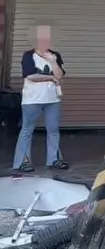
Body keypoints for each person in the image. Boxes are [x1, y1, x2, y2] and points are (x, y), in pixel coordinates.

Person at [13, 25, 68, 172]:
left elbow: (60, 75)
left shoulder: (55, 55)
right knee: (27, 129)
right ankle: (23, 161)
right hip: (32, 99)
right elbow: (30, 76)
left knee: (53, 129)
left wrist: (53, 62)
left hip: (53, 99)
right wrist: (50, 77)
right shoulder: (28, 55)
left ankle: (54, 159)